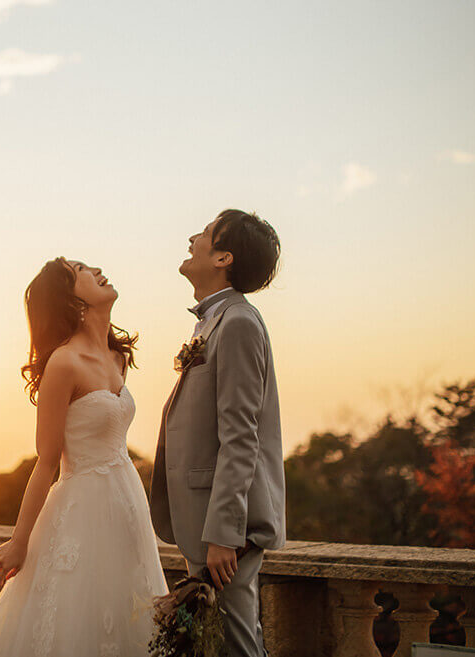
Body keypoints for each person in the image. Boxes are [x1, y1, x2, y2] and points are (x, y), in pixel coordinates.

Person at [0, 257, 168, 657]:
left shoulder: (117, 358)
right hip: (81, 511)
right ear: (70, 300)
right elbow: (46, 461)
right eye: (82, 270)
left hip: (128, 506)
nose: (98, 268)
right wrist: (20, 541)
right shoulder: (63, 363)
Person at [149, 209, 286, 657]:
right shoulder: (212, 321)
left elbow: (242, 436)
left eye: (205, 234)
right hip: (207, 522)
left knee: (239, 646)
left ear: (224, 256)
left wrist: (225, 533)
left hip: (225, 529)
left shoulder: (240, 322)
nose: (193, 237)